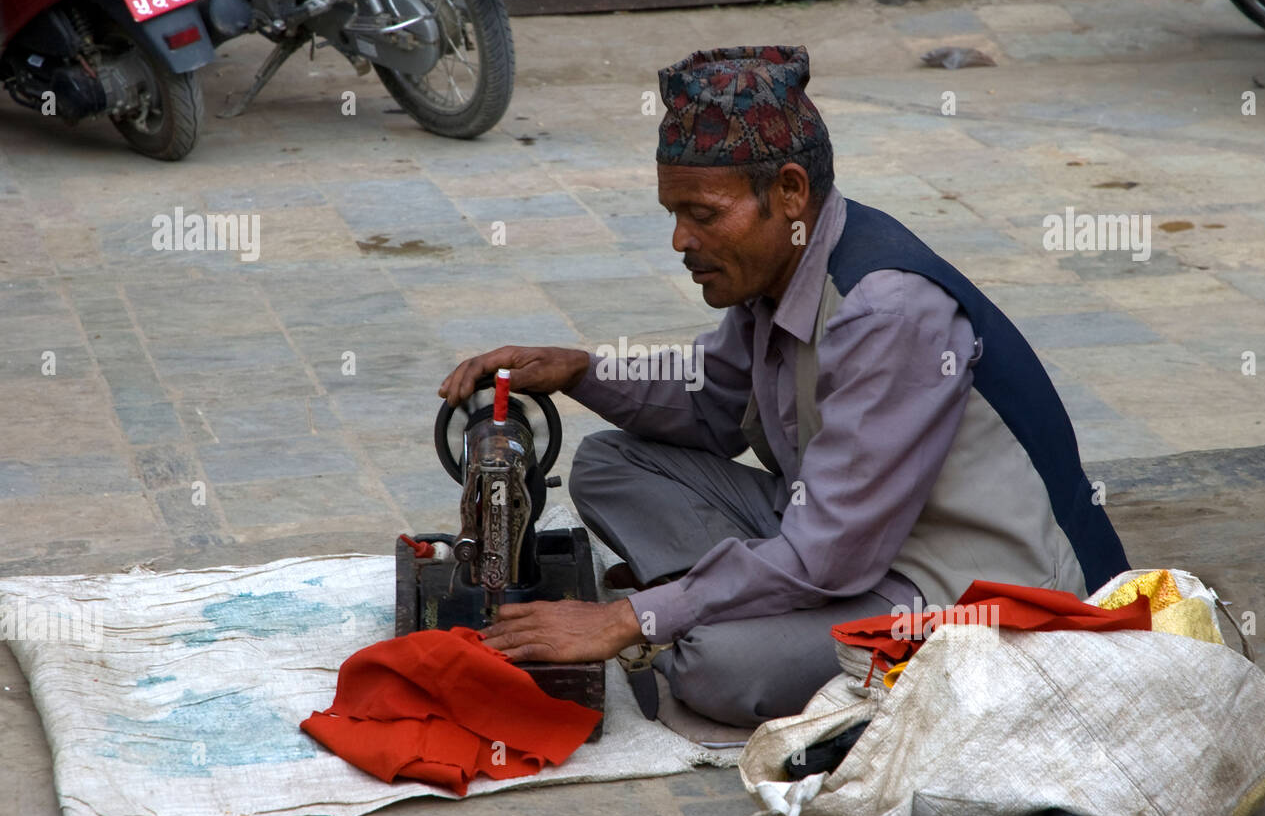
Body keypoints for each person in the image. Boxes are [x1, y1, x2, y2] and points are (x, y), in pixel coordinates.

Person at [438, 45, 1129, 728]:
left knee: (718, 665)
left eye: (703, 214)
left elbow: (827, 553)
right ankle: (724, 600)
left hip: (963, 586)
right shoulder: (777, 269)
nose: (680, 239)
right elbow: (709, 403)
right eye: (672, 213)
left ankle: (708, 611)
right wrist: (581, 371)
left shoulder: (885, 310)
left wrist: (628, 618)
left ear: (791, 191)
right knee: (608, 463)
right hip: (842, 536)